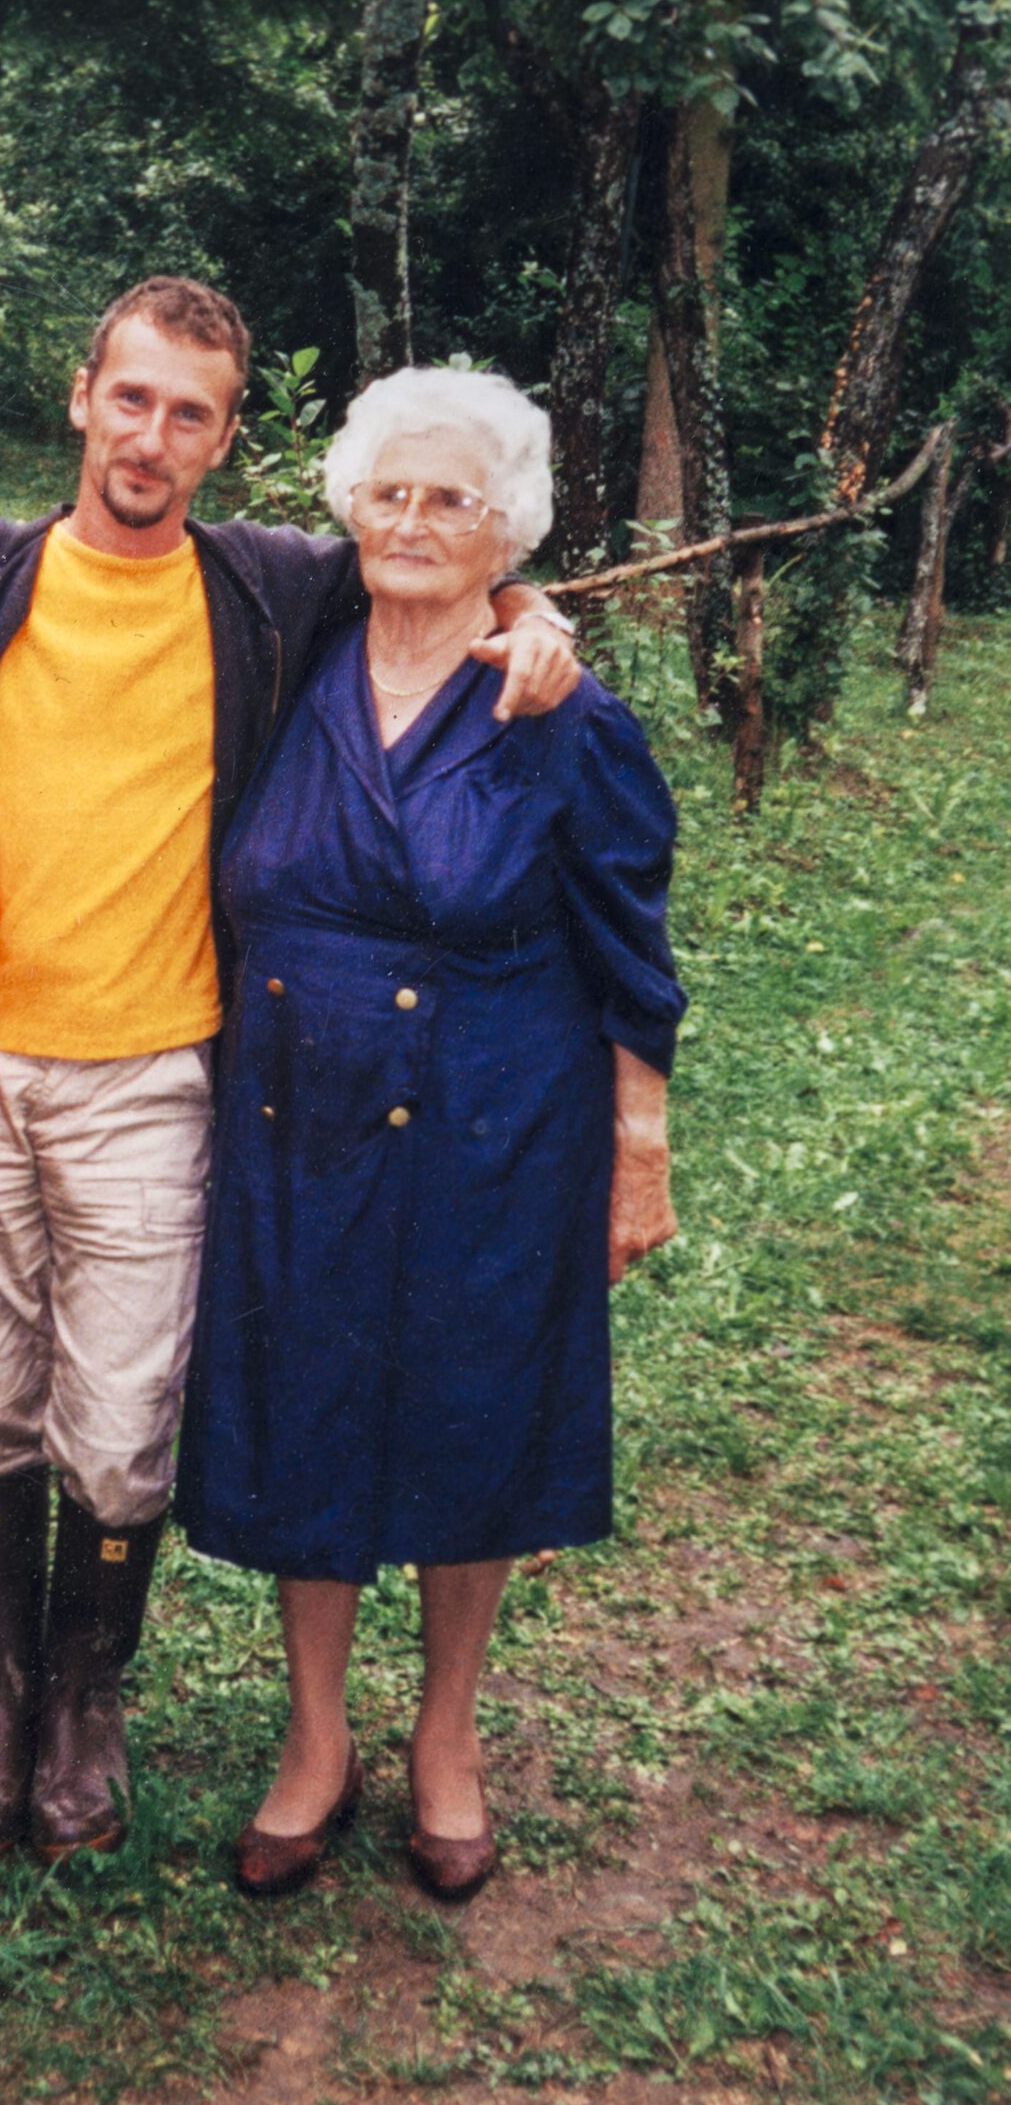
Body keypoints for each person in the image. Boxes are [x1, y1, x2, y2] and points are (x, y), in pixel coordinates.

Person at [0, 279, 581, 1869]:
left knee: (123, 1420)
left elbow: (445, 556)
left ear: (226, 438)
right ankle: (0, 1703)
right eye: (130, 398)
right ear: (83, 397)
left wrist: (534, 614)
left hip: (157, 1066)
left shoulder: (269, 586)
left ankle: (87, 1701)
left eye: (191, 414)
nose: (152, 437)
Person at [174, 365, 685, 1903]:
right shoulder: (291, 655)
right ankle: (315, 1738)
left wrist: (640, 1145)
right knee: (307, 1405)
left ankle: (447, 1735)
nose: (410, 522)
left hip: (494, 1120)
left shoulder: (558, 708)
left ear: (506, 529)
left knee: (478, 1411)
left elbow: (631, 937)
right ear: (350, 506)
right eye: (387, 492)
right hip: (296, 1116)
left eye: (450, 499)